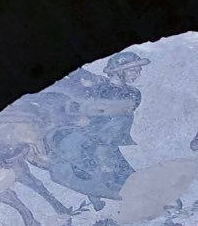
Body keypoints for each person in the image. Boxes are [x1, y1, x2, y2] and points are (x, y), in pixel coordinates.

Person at [43, 49, 151, 207]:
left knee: (119, 176)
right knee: (94, 171)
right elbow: (84, 107)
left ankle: (140, 198)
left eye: (138, 71)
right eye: (133, 71)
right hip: (93, 138)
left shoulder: (132, 93)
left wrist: (90, 106)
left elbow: (119, 108)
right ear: (118, 71)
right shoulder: (99, 89)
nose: (137, 75)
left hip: (106, 139)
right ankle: (98, 193)